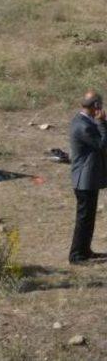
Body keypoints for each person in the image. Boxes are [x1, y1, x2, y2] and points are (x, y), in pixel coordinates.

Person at [68, 90, 107, 264]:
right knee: (83, 220)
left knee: (88, 219)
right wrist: (101, 123)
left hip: (87, 179)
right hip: (84, 180)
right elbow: (102, 144)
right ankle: (76, 255)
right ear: (96, 105)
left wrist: (101, 123)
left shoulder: (83, 121)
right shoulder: (84, 125)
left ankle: (85, 251)